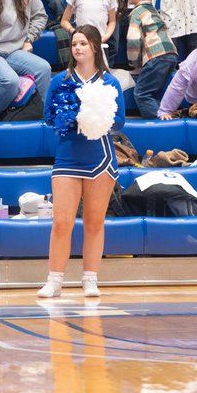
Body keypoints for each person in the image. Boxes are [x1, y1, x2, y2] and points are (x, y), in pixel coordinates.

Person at [38, 25, 125, 298]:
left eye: (83, 44)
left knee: (94, 222)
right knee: (61, 222)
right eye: (74, 44)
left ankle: (90, 278)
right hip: (67, 158)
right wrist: (69, 116)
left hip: (100, 159)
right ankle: (55, 279)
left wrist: (96, 116)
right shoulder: (60, 81)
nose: (77, 48)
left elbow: (120, 121)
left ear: (95, 47)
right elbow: (48, 118)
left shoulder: (109, 83)